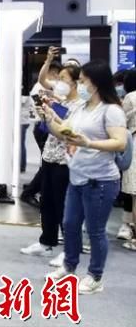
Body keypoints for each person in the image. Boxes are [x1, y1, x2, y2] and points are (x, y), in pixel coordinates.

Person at [45, 60, 127, 295]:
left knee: (95, 230)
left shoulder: (111, 111)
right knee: (70, 225)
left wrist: (88, 143)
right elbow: (65, 132)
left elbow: (119, 142)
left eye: (82, 81)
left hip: (100, 181)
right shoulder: (81, 108)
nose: (79, 85)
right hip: (78, 177)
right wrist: (49, 117)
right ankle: (69, 266)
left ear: (96, 83)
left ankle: (95, 276)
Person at [20, 63, 82, 261]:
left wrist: (50, 117)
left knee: (64, 204)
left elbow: (68, 133)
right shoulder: (59, 101)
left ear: (75, 83)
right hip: (49, 155)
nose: (59, 82)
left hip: (66, 160)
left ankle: (70, 249)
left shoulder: (80, 106)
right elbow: (50, 129)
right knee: (46, 201)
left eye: (63, 79)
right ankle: (46, 241)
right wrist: (45, 114)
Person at [20, 53, 62, 206]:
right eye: (58, 74)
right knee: (48, 163)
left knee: (49, 163)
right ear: (52, 72)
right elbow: (40, 107)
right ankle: (30, 192)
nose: (58, 78)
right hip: (44, 126)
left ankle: (38, 191)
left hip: (50, 126)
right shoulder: (39, 88)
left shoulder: (52, 88)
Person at [118, 69, 136, 246]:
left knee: (133, 191)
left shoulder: (131, 97)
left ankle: (132, 232)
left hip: (133, 143)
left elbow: (122, 121)